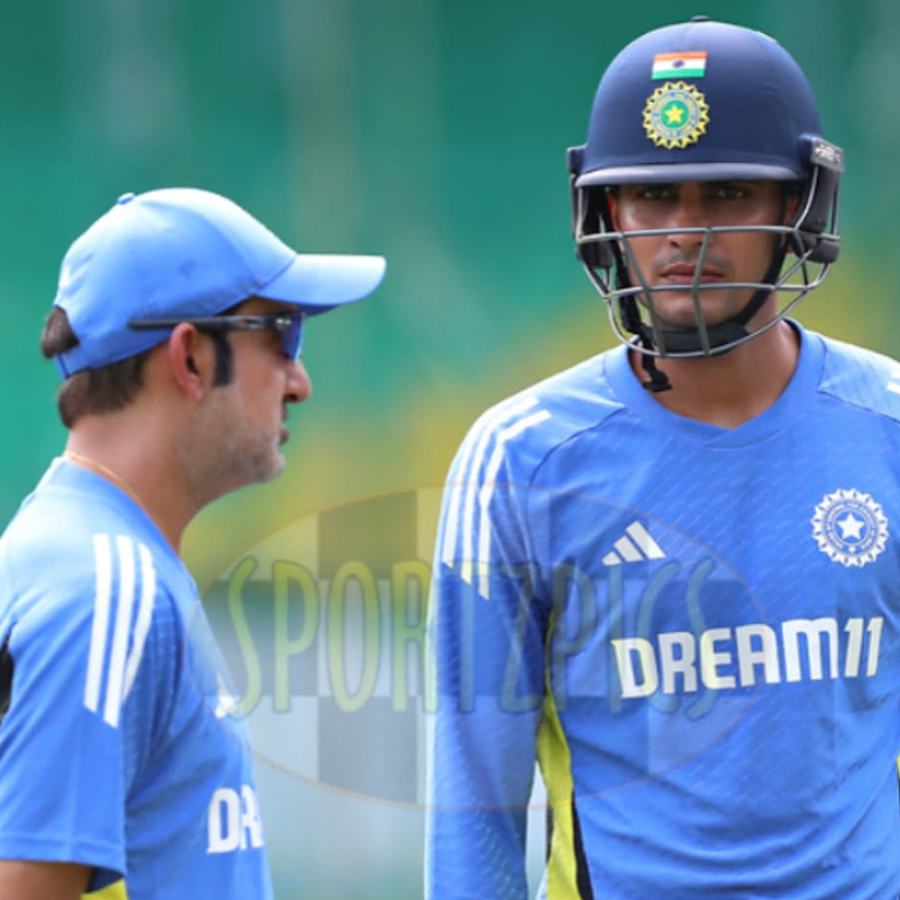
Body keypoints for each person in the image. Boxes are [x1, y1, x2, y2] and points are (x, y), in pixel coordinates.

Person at [427, 16, 900, 898]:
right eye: (652, 197)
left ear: (798, 206)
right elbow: (473, 804)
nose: (686, 231)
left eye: (727, 193)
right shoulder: (521, 459)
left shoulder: (889, 428)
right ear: (605, 212)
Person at [0, 187, 385, 899]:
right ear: (190, 358)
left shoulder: (105, 562)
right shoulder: (104, 589)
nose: (298, 380)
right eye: (281, 336)